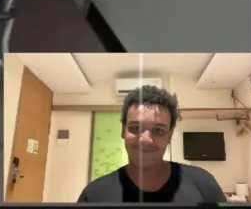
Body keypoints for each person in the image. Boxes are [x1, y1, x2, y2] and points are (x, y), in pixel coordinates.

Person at [77, 86, 227, 203]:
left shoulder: (203, 183)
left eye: (158, 130)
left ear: (169, 136)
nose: (145, 140)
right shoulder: (94, 195)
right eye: (135, 128)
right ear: (123, 131)